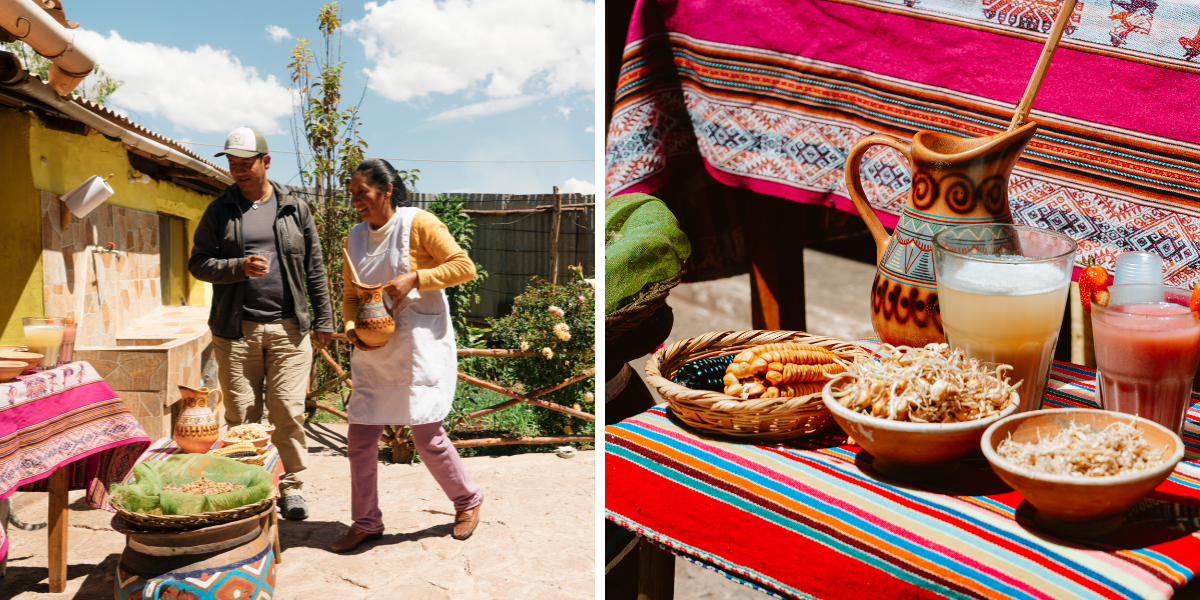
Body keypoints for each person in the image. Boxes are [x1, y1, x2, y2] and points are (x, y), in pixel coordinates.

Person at [331, 158, 482, 553]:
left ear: (386, 190)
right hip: (374, 350)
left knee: (426, 435)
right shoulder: (355, 238)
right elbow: (350, 296)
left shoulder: (420, 224)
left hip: (417, 347)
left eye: (361, 193)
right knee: (361, 438)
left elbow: (464, 267)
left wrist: (418, 277)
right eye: (353, 195)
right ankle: (366, 521)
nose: (356, 202)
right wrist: (351, 330)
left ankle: (467, 500)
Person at [188, 126, 334, 520]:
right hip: (236, 330)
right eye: (233, 164)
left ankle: (291, 486)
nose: (239, 170)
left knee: (287, 409)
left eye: (246, 163)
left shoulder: (294, 207)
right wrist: (238, 267)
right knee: (241, 415)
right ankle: (249, 488)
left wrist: (325, 319)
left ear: (265, 162)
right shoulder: (219, 210)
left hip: (289, 328)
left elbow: (314, 267)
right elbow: (198, 263)